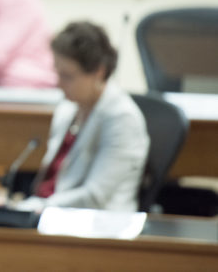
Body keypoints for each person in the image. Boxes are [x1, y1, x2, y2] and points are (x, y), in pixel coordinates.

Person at [21, 21, 149, 212]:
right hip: (49, 215)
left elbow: (95, 196)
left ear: (99, 72)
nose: (59, 84)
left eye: (68, 76)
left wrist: (38, 206)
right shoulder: (68, 109)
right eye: (58, 73)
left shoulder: (122, 118)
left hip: (98, 226)